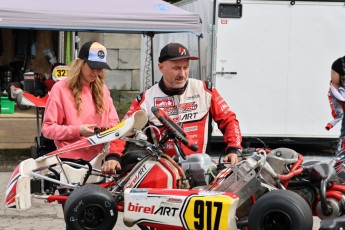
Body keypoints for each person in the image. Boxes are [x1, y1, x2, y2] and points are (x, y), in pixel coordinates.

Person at [103, 42, 242, 174]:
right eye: (176, 68)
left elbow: (229, 120)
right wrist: (113, 157)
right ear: (161, 67)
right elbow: (123, 130)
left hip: (202, 168)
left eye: (186, 67)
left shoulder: (205, 90)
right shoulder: (147, 98)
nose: (182, 74)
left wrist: (233, 149)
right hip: (164, 170)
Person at [41, 41, 123, 174]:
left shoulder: (102, 89)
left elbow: (115, 123)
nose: (95, 72)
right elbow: (47, 129)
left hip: (98, 161)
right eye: (92, 67)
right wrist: (77, 131)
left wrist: (106, 129)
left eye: (100, 68)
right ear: (80, 62)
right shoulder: (60, 89)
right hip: (70, 163)